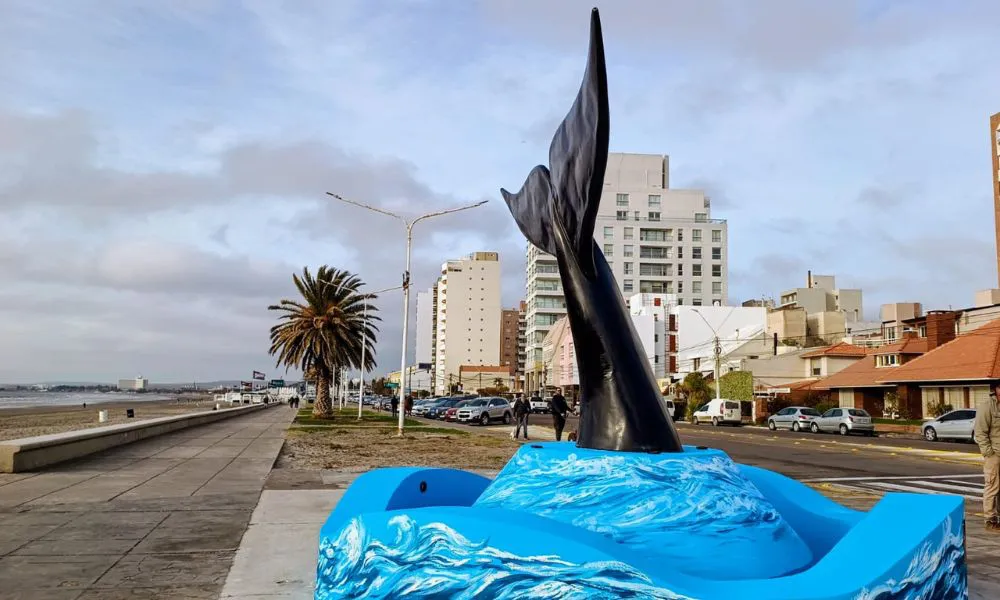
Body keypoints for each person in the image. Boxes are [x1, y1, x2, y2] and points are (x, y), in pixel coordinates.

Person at [974, 383, 1000, 531]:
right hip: (994, 454)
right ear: (995, 389)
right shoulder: (987, 407)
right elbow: (980, 432)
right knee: (992, 486)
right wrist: (988, 453)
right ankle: (990, 520)